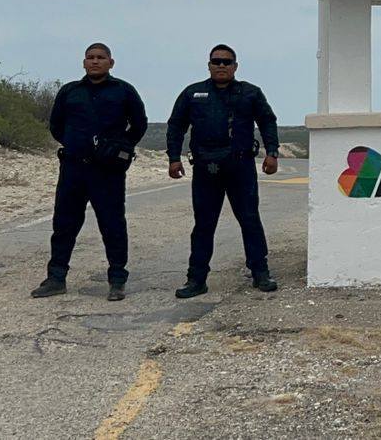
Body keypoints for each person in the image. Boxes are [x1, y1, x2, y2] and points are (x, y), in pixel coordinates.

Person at [31, 43, 148, 301]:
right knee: (64, 223)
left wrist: (119, 147)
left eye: (100, 58)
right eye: (90, 58)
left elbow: (139, 124)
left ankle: (117, 279)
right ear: (84, 62)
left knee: (112, 224)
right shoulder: (70, 91)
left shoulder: (124, 91)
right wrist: (74, 144)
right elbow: (56, 126)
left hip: (108, 171)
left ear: (111, 62)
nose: (95, 62)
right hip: (73, 167)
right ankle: (56, 278)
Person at [167, 44, 281, 298]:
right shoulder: (193, 93)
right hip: (206, 168)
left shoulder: (250, 93)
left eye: (226, 62)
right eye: (216, 61)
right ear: (208, 65)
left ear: (235, 66)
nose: (221, 66)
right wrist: (174, 158)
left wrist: (272, 152)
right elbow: (176, 125)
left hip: (240, 167)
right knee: (204, 225)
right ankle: (196, 279)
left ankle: (260, 272)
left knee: (250, 219)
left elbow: (267, 121)